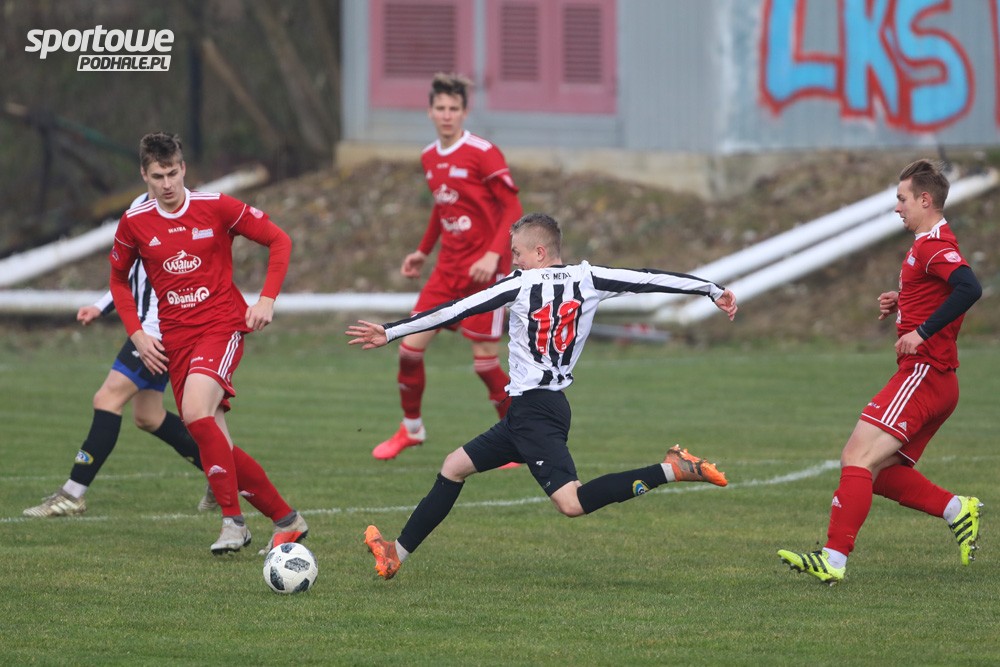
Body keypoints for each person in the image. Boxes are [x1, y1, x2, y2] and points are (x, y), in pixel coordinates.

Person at [348, 212, 738, 579]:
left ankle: (672, 468)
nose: (513, 261)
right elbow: (650, 279)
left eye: (517, 253)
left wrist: (391, 331)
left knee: (571, 502)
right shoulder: (589, 278)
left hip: (535, 412)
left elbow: (456, 309)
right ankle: (395, 553)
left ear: (539, 252)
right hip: (536, 409)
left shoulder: (519, 284)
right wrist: (712, 290)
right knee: (454, 466)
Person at [778, 159, 983, 585]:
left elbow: (969, 287)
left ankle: (833, 559)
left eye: (902, 199)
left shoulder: (933, 246)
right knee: (878, 470)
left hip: (925, 373)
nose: (897, 207)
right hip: (935, 379)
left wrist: (921, 332)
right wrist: (903, 303)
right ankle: (955, 509)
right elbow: (940, 290)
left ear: (924, 200)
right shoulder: (927, 244)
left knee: (856, 457)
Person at [108, 131, 307, 555]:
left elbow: (279, 240)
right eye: (158, 176)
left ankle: (233, 524)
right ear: (144, 175)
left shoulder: (216, 206)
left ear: (184, 169)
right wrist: (138, 333)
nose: (167, 184)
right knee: (213, 438)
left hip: (220, 327)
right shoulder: (134, 223)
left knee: (196, 413)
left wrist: (266, 300)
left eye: (173, 173)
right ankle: (287, 520)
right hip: (175, 341)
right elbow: (118, 281)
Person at [372, 72, 524, 461]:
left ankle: (517, 440)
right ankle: (412, 429)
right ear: (430, 111)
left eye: (453, 108)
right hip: (447, 272)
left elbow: (512, 207)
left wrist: (493, 254)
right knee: (409, 349)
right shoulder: (429, 156)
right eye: (440, 108)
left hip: (486, 276)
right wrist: (422, 252)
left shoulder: (483, 152)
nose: (446, 115)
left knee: (485, 364)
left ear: (464, 112)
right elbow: (443, 210)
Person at [23, 242, 216, 518]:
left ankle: (71, 495)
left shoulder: (172, 224)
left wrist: (154, 335)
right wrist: (100, 307)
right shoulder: (138, 219)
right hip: (147, 332)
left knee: (107, 399)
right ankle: (220, 471)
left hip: (155, 334)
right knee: (149, 416)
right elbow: (127, 276)